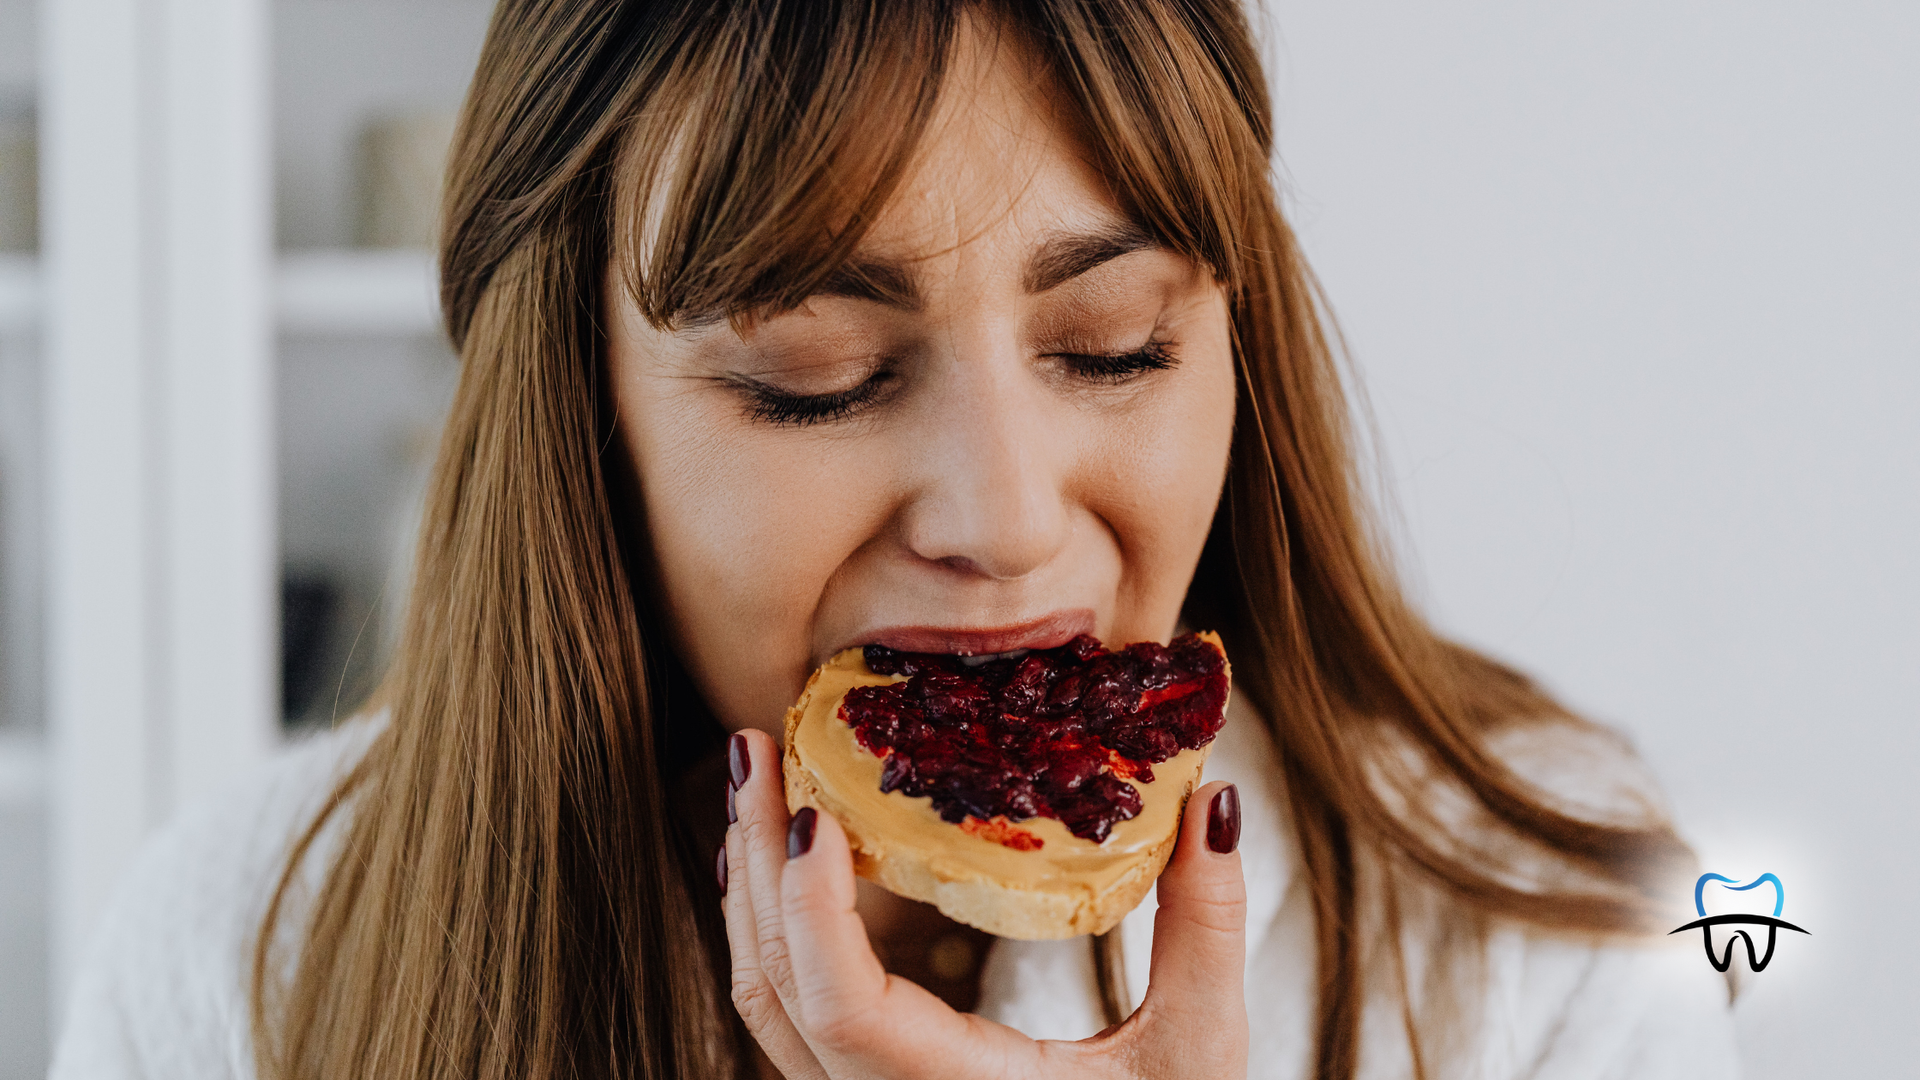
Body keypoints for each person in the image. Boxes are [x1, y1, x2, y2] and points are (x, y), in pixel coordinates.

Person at [51, 2, 1740, 1078]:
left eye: (1115, 348)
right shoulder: (244, 960)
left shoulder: (1539, 932)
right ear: (578, 419)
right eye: (820, 381)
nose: (1006, 522)